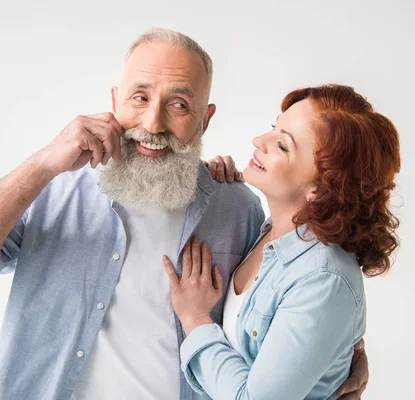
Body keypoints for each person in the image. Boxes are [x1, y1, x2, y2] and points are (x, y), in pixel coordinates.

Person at [0, 29, 368, 400]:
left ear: (204, 120)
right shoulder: (55, 187)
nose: (153, 124)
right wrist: (41, 163)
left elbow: (287, 309)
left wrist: (344, 355)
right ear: (115, 100)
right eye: (139, 97)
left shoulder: (238, 208)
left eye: (179, 105)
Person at [164, 84, 400, 399]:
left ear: (323, 187)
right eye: (273, 128)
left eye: (283, 146)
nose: (258, 141)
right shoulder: (269, 235)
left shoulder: (323, 279)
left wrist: (195, 319)